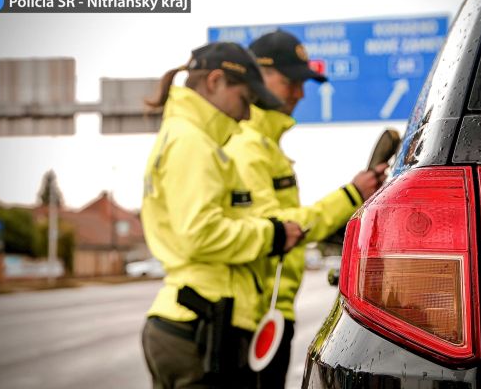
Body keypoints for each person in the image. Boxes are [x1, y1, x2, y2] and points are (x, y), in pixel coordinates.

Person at [224, 30, 388, 389]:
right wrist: (351, 194)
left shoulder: (265, 146)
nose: (300, 93)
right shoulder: (247, 148)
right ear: (259, 77)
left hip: (270, 313)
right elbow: (281, 227)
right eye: (292, 81)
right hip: (253, 318)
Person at [140, 41, 305, 389]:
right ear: (215, 81)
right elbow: (200, 233)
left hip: (193, 321)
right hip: (199, 326)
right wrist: (272, 235)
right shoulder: (192, 143)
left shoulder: (188, 138)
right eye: (244, 100)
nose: (246, 115)